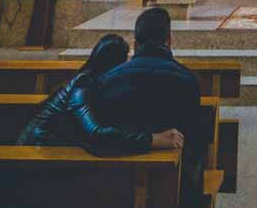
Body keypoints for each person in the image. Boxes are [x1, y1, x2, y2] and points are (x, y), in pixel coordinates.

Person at [96, 7, 203, 208]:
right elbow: (193, 143)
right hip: (173, 195)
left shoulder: (108, 81)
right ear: (169, 40)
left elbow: (102, 132)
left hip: (114, 190)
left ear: (135, 43)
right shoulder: (186, 81)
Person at [18, 34, 181, 155]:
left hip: (52, 148)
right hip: (37, 151)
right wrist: (152, 139)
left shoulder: (93, 82)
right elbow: (96, 133)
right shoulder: (82, 86)